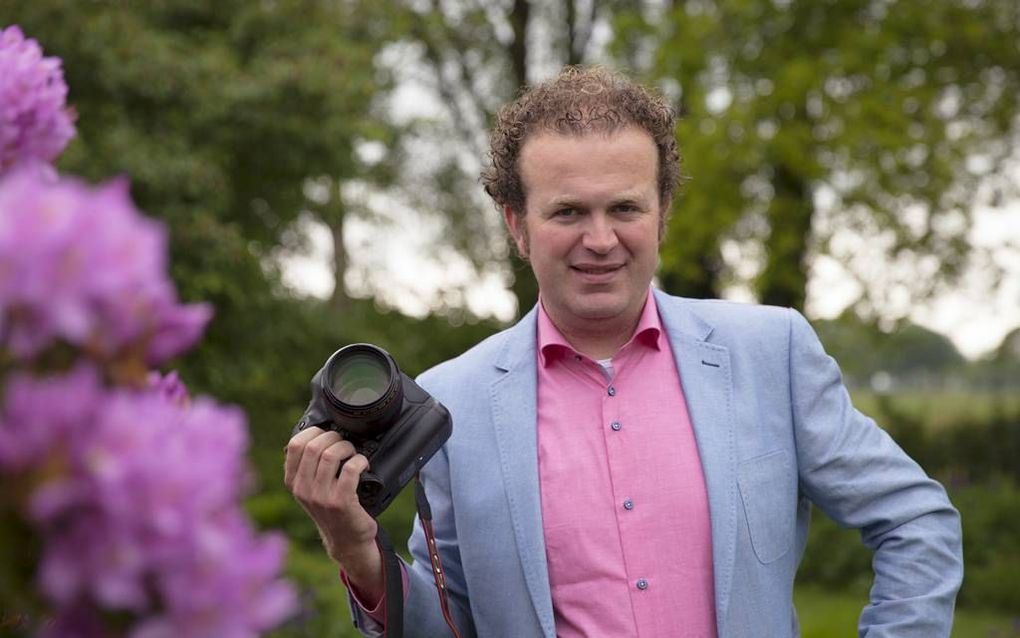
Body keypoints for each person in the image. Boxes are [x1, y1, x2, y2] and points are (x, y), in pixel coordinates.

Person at [284, 66, 963, 637]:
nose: (601, 240)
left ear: (663, 211)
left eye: (626, 209)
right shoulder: (451, 404)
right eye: (569, 212)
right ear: (517, 224)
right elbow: (454, 625)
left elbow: (916, 522)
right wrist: (354, 547)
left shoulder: (771, 355)